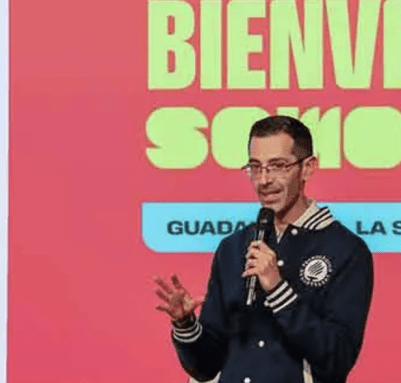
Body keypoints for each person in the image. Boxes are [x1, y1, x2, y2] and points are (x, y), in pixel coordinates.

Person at [154, 115, 374, 383]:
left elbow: (336, 359)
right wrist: (186, 325)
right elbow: (205, 368)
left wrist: (278, 290)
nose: (264, 180)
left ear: (307, 168)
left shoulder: (346, 250)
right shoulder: (233, 247)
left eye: (278, 166)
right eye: (255, 167)